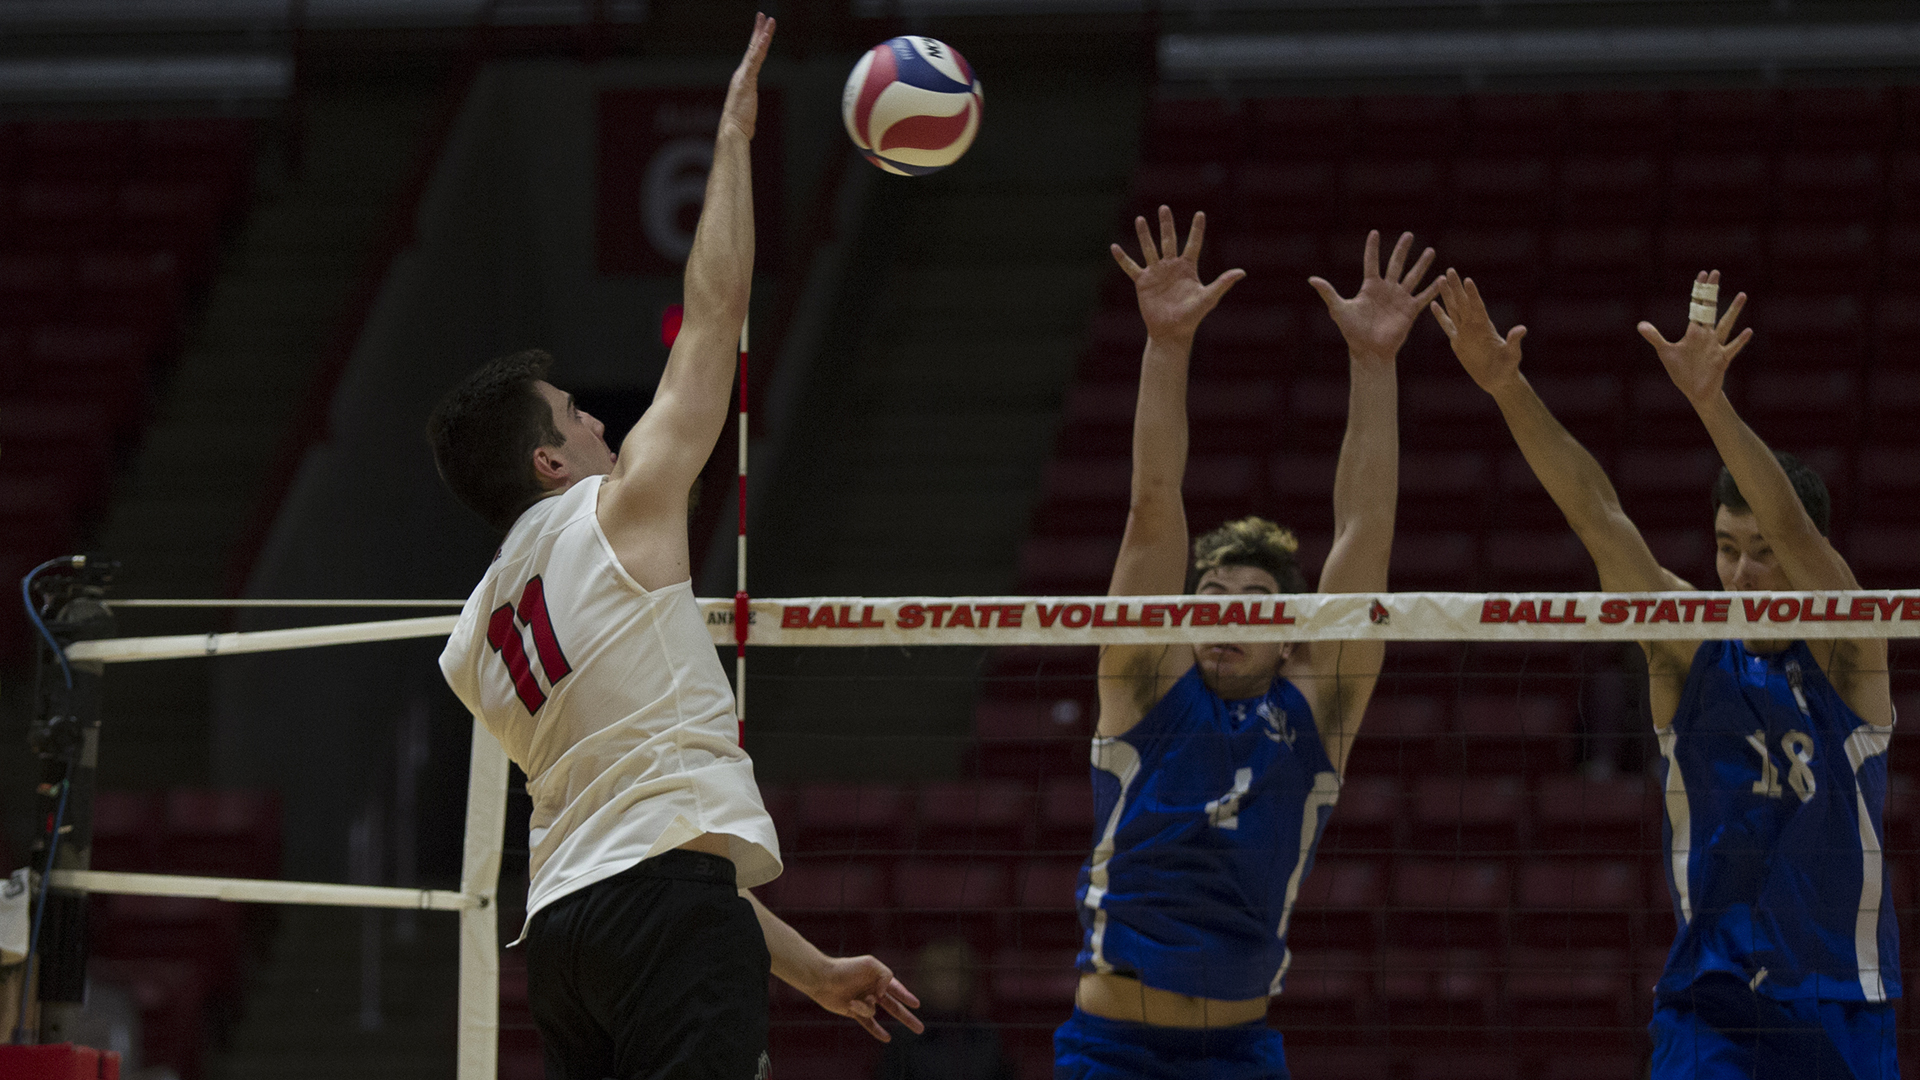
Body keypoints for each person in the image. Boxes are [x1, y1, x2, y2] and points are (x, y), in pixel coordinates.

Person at [428, 16, 920, 1079]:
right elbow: (714, 314)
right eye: (577, 416)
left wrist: (808, 967)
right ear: (548, 462)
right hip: (662, 921)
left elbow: (635, 836)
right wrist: (733, 139)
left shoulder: (472, 643)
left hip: (565, 939)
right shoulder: (618, 511)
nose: (602, 423)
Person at [1431, 269, 1898, 1078]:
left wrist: (1711, 404)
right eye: (1726, 549)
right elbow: (1599, 518)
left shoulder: (1850, 656)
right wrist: (1508, 388)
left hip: (1842, 998)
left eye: (1763, 554)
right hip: (1711, 1003)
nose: (1742, 575)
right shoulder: (1687, 644)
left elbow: (1796, 530)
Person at [1054, 210, 1437, 1078]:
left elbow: (1364, 532)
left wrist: (1373, 364)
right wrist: (1166, 345)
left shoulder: (1316, 707)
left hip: (1240, 1051)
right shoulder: (1144, 687)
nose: (1227, 615)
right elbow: (1153, 509)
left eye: (1255, 604)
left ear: (1290, 636)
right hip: (1115, 1051)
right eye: (1210, 599)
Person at [874, 939, 1018, 1080]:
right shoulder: (903, 1039)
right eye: (940, 973)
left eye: (956, 972)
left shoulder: (987, 1036)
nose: (949, 982)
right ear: (923, 980)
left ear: (970, 979)